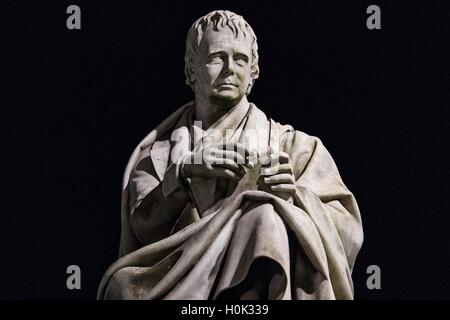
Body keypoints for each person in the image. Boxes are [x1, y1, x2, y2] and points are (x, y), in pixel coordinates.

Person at [97, 10, 363, 300]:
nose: (229, 69)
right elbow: (143, 232)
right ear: (191, 69)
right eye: (216, 57)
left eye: (240, 59)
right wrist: (183, 175)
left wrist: (294, 199)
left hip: (260, 285)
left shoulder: (296, 148)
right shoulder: (160, 154)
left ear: (253, 72)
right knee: (122, 285)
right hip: (178, 276)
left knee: (262, 219)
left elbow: (347, 232)